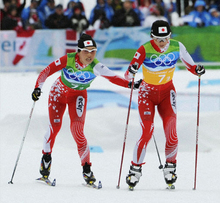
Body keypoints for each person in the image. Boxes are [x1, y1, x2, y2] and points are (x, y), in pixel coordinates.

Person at [31, 33, 141, 185]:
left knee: (77, 131)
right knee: (55, 127)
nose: (90, 55)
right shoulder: (68, 59)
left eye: (93, 51)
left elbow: (114, 77)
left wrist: (130, 85)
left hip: (78, 96)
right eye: (86, 51)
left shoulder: (96, 66)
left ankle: (87, 170)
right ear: (79, 51)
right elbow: (46, 71)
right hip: (58, 94)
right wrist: (38, 88)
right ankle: (46, 160)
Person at [124, 20, 205, 189]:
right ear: (152, 36)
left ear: (170, 36)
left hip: (167, 93)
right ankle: (135, 169)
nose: (162, 43)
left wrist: (197, 70)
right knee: (146, 131)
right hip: (147, 93)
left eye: (165, 38)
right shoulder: (144, 49)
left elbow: (191, 66)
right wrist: (131, 72)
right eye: (159, 39)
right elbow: (127, 74)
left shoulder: (177, 46)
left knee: (172, 131)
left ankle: (170, 166)